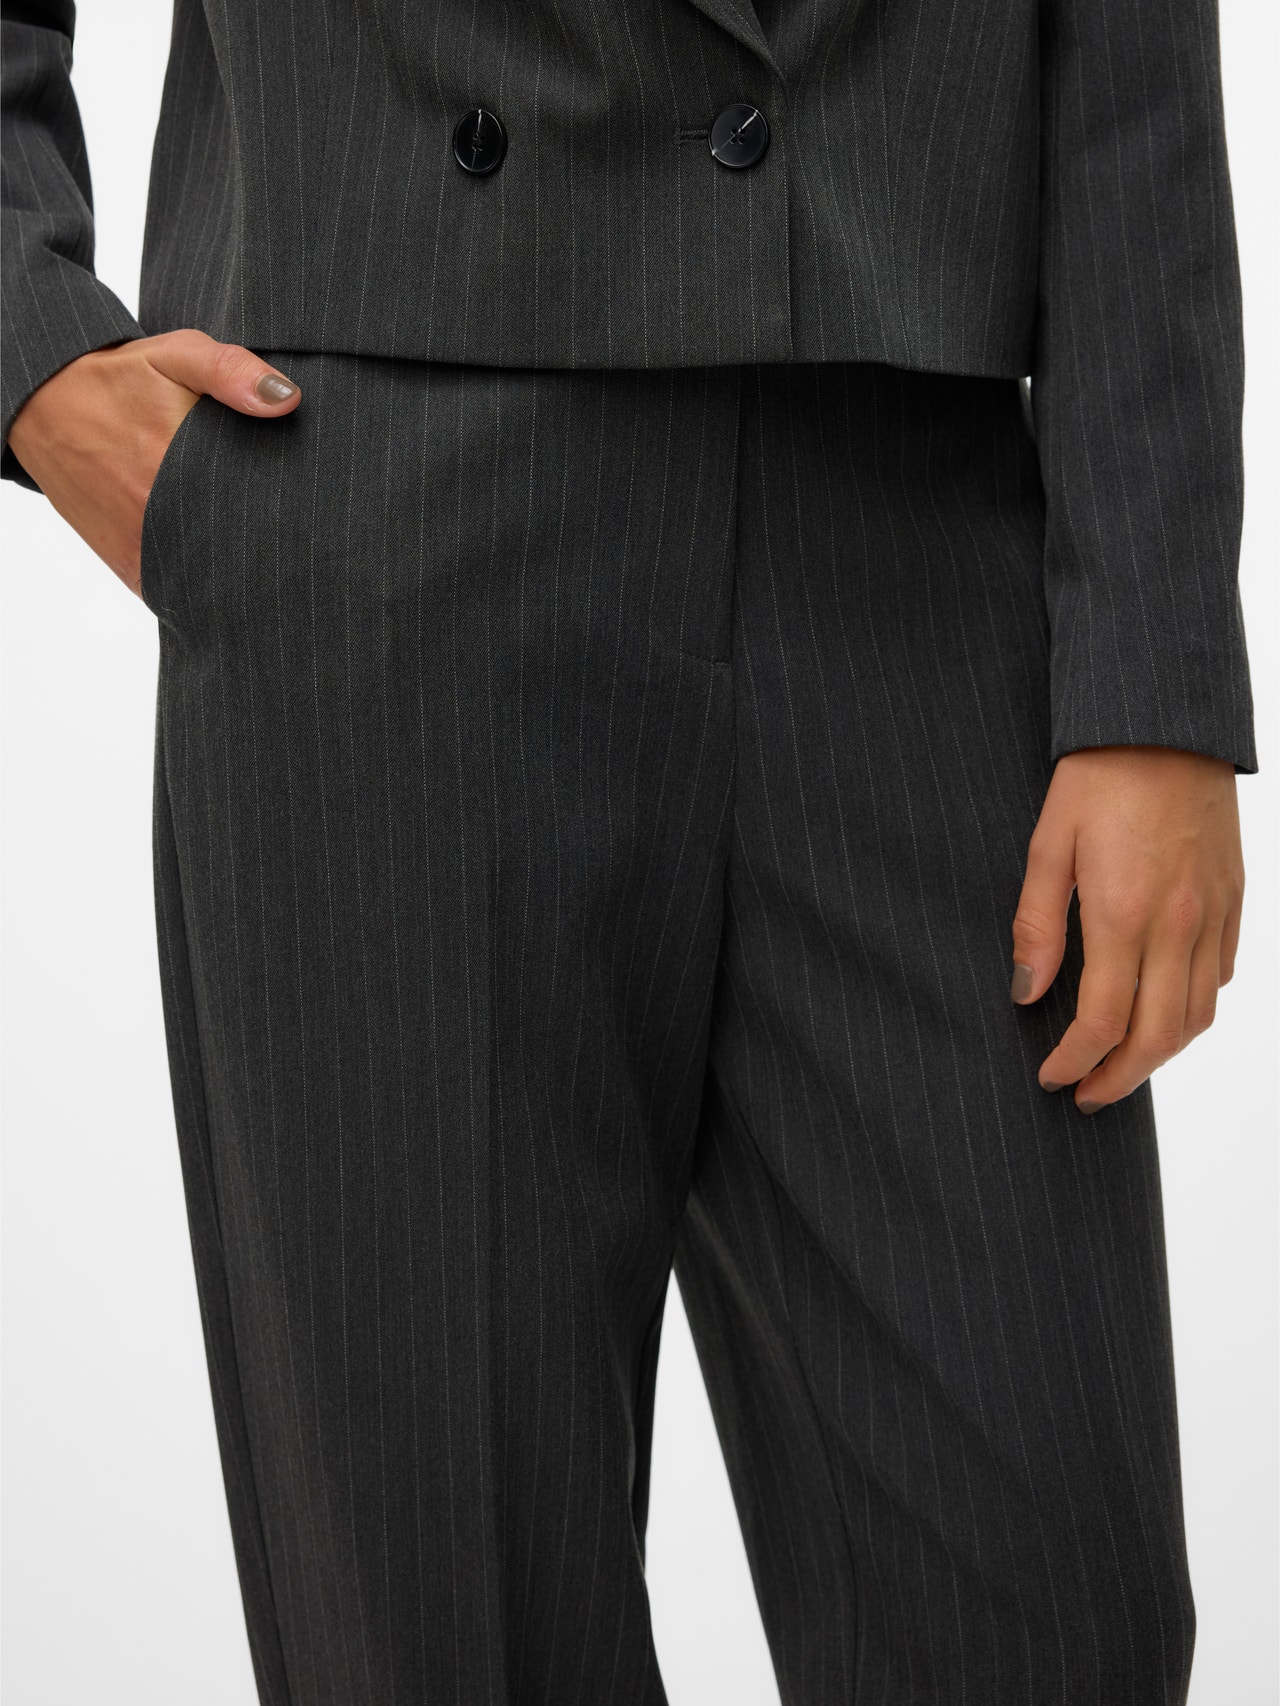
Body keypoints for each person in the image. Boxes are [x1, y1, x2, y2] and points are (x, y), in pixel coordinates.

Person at [1, 0, 1256, 1701]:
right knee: (452, 1643)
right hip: (380, 506)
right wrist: (32, 343)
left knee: (1058, 1620)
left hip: (916, 517)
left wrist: (1155, 652)